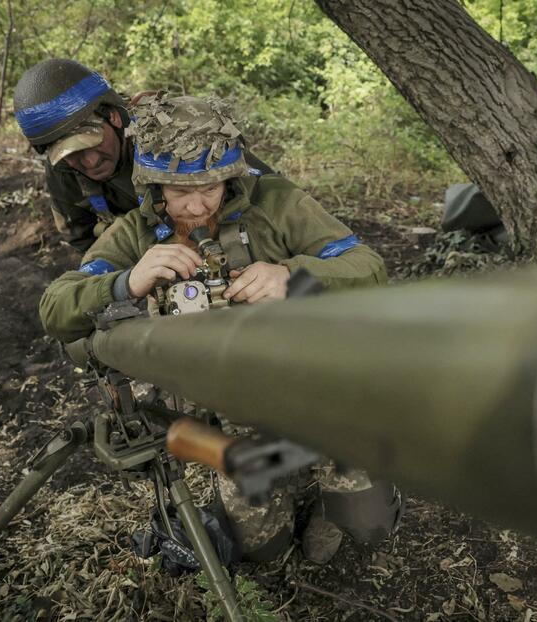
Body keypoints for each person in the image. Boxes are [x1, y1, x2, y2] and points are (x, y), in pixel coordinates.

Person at [39, 93, 399, 563]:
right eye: (178, 192)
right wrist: (126, 280)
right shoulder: (135, 233)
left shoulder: (276, 202)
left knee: (366, 523)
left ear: (231, 177)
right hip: (237, 410)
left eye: (209, 188)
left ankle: (337, 500)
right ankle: (283, 472)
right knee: (262, 549)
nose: (194, 206)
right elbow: (55, 307)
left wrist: (291, 274)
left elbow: (368, 266)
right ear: (152, 187)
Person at [13, 58, 273, 253]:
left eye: (92, 143)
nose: (89, 162)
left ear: (113, 116)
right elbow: (82, 240)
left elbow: (271, 192)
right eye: (73, 155)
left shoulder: (168, 132)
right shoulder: (62, 170)